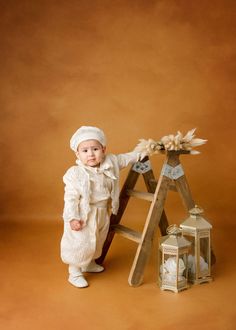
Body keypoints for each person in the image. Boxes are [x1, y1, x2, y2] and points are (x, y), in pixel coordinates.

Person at [61, 126, 143, 288]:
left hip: (102, 211)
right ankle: (75, 272)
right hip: (84, 214)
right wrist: (72, 218)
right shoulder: (75, 173)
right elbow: (70, 198)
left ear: (103, 149)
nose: (90, 154)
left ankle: (89, 263)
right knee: (81, 241)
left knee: (98, 239)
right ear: (77, 154)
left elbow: (125, 158)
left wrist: (140, 154)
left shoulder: (110, 163)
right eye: (84, 151)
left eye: (95, 149)